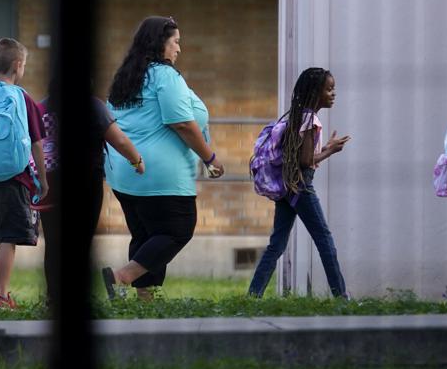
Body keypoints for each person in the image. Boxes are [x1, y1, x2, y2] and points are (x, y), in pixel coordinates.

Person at [100, 16, 224, 301]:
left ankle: (145, 301)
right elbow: (181, 123)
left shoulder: (127, 77)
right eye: (176, 42)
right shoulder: (165, 76)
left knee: (146, 235)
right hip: (160, 174)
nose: (179, 49)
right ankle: (121, 277)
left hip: (124, 171)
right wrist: (210, 158)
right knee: (177, 229)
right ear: (160, 44)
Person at [33, 80, 144, 303]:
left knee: (54, 243)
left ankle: (54, 296)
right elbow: (119, 140)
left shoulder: (41, 107)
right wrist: (137, 160)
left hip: (49, 181)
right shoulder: (93, 106)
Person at [247, 67, 351, 299]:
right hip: (301, 187)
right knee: (325, 240)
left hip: (287, 186)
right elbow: (305, 161)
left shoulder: (296, 115)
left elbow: (298, 156)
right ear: (315, 92)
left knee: (276, 245)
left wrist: (323, 148)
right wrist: (330, 151)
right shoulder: (311, 119)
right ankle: (341, 297)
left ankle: (253, 295)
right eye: (329, 89)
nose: (333, 93)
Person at [0, 38, 49, 310]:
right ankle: (1, 296)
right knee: (8, 238)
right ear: (18, 66)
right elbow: (37, 143)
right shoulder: (23, 98)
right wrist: (42, 180)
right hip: (14, 178)